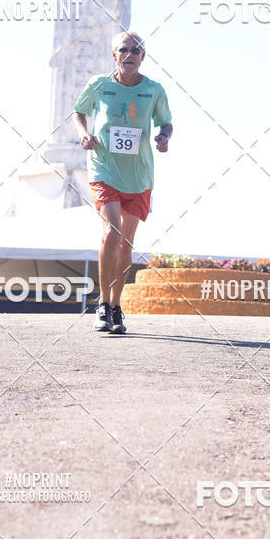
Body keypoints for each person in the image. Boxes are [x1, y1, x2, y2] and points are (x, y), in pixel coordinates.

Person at [72, 32, 173, 333]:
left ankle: (117, 306)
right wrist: (83, 134)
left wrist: (164, 137)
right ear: (113, 55)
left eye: (136, 50)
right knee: (111, 233)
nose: (130, 54)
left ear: (144, 56)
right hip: (105, 168)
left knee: (126, 245)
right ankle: (103, 305)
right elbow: (78, 112)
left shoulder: (154, 90)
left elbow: (166, 121)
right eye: (124, 50)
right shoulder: (99, 85)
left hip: (139, 174)